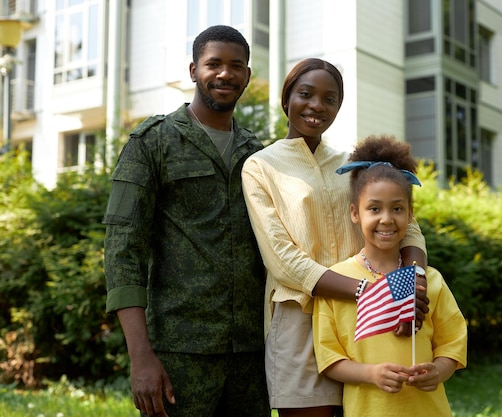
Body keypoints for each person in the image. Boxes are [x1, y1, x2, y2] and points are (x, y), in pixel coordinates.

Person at [241, 58, 429, 417]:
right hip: (302, 314)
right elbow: (282, 258)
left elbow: (410, 227)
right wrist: (368, 292)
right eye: (306, 94)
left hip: (372, 314)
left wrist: (412, 283)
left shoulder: (355, 165)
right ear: (286, 100)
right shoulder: (260, 166)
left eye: (330, 99)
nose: (316, 106)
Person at [103, 25, 269, 417]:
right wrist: (140, 357)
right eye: (214, 64)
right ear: (194, 70)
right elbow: (122, 250)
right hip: (179, 353)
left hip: (250, 354)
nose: (225, 74)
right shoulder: (152, 142)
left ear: (247, 75)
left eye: (236, 65)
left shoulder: (258, 154)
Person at [312, 134, 468, 417]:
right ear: (354, 213)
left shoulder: (429, 280)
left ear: (410, 215)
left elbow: (452, 342)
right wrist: (371, 373)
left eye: (397, 208)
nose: (386, 219)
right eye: (374, 208)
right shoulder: (337, 281)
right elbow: (329, 358)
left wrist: (439, 371)